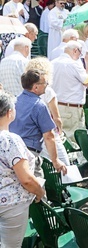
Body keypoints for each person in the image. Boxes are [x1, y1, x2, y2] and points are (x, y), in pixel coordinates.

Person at [0, 91, 46, 247]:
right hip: (10, 204)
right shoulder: (10, 139)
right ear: (9, 112)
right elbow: (26, 179)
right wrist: (39, 191)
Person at [10, 69, 68, 177]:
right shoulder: (39, 105)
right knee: (38, 190)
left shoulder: (14, 101)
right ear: (35, 87)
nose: (47, 85)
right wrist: (55, 161)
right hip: (29, 155)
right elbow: (49, 136)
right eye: (45, 83)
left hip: (12, 153)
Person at [25, 57, 69, 166]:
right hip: (49, 132)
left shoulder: (26, 91)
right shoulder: (48, 91)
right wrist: (60, 131)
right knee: (65, 164)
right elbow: (56, 118)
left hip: (32, 135)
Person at [51, 41, 88, 141]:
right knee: (74, 141)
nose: (79, 57)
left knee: (60, 140)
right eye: (79, 54)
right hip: (71, 109)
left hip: (56, 107)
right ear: (75, 50)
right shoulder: (74, 64)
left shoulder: (52, 63)